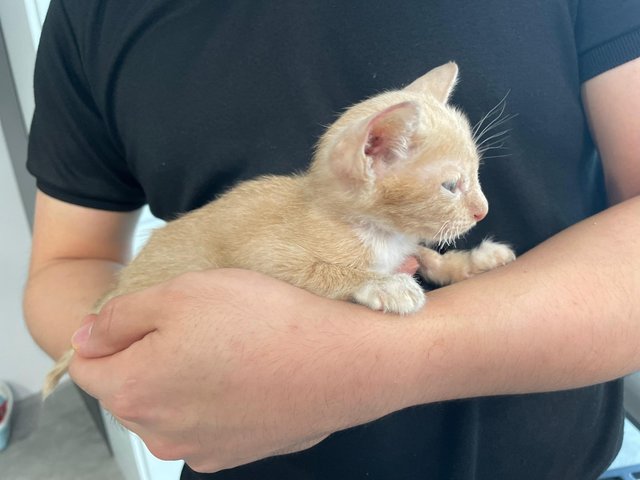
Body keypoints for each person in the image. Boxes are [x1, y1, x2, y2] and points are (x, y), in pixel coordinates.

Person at [23, 1, 640, 479]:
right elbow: (69, 261)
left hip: (561, 461)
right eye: (456, 187)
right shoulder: (90, 16)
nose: (482, 207)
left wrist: (379, 360)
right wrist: (130, 369)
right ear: (373, 153)